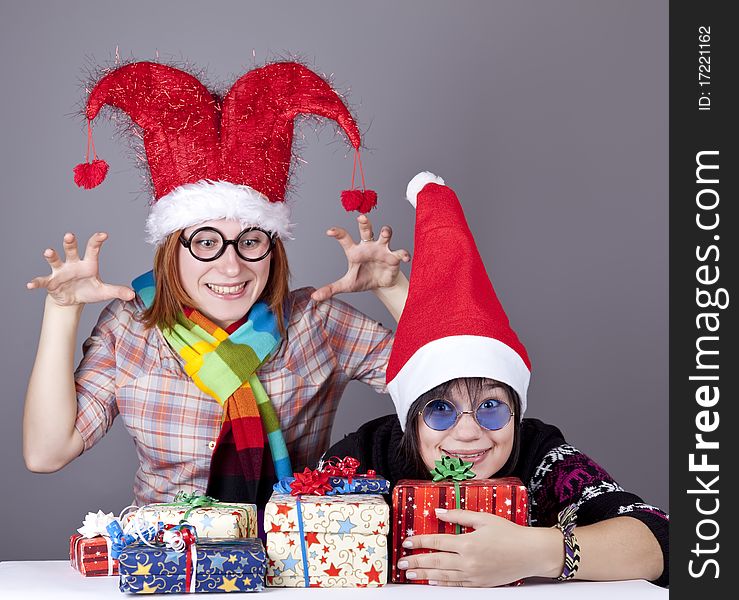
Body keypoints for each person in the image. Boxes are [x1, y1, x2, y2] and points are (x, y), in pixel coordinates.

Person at [22, 60, 408, 508]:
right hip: (167, 562)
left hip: (290, 560)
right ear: (173, 250)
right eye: (205, 242)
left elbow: (448, 388)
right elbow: (46, 453)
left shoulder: (316, 321)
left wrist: (393, 287)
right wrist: (63, 311)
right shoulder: (130, 328)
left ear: (273, 248)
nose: (231, 267)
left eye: (250, 241)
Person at [328, 173, 669, 587]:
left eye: (491, 407)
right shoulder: (369, 455)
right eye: (440, 410)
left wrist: (539, 551)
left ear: (516, 410)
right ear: (410, 417)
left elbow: (659, 540)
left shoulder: (539, 454)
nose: (470, 433)